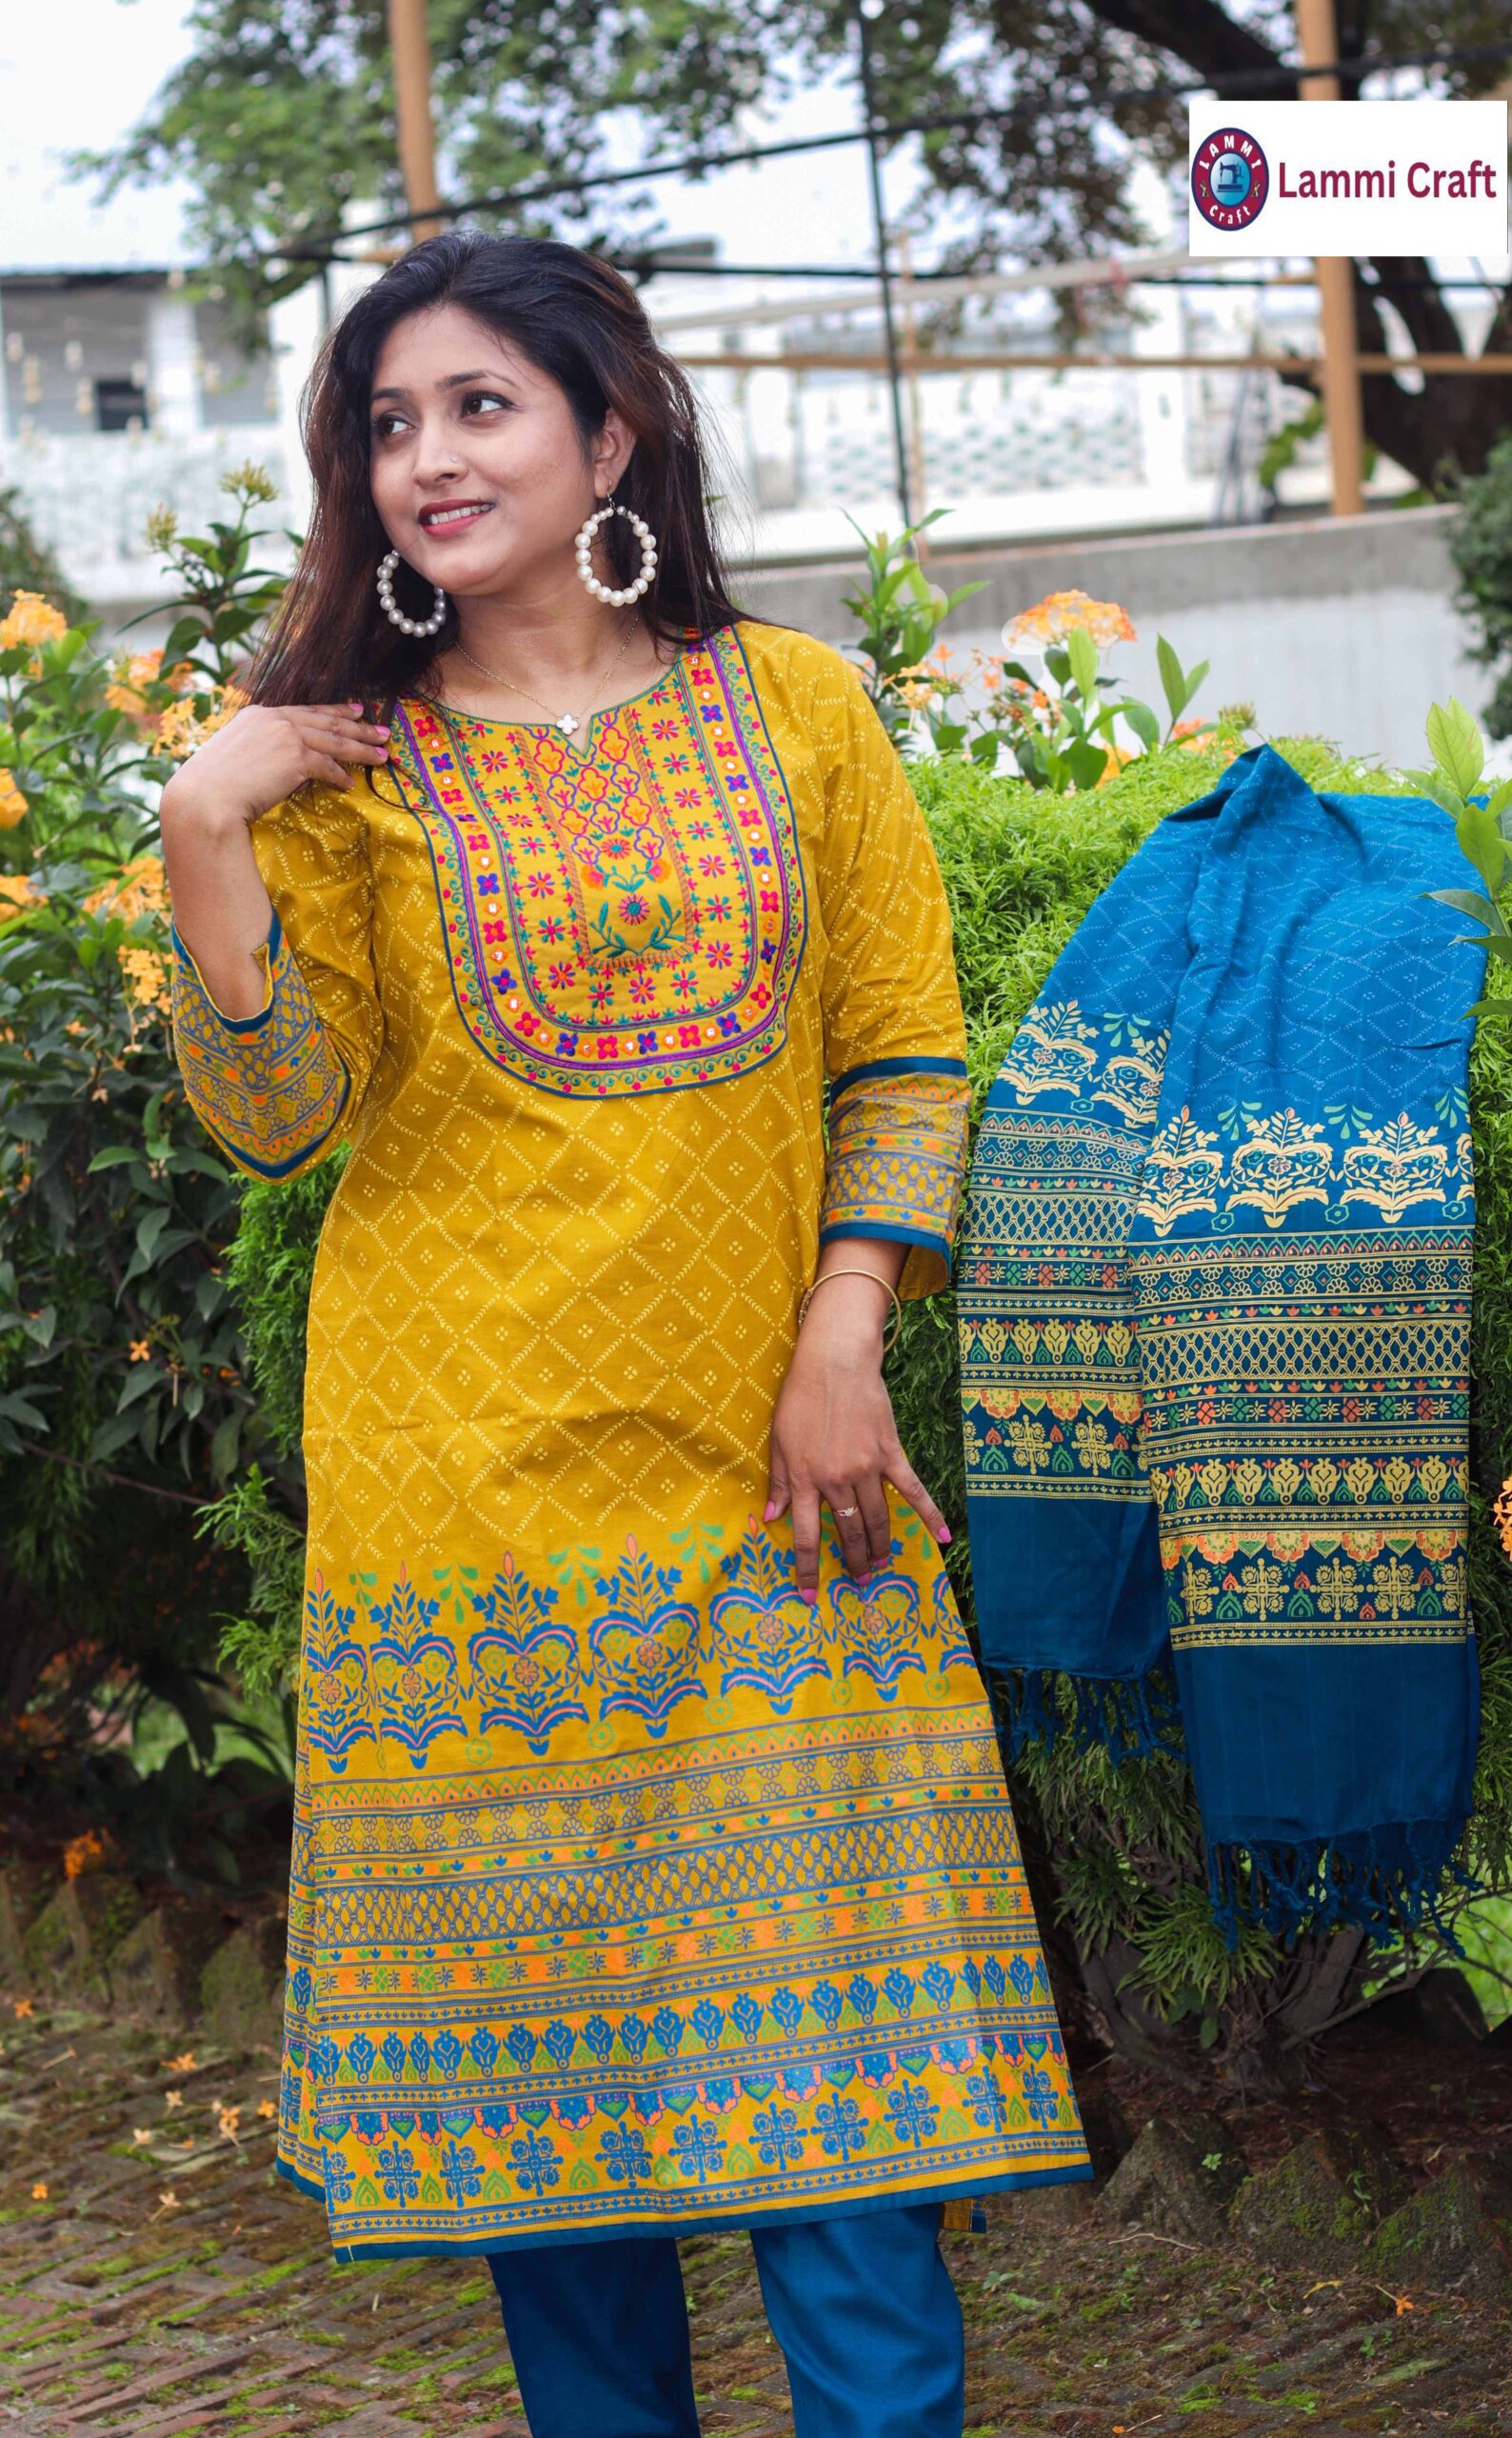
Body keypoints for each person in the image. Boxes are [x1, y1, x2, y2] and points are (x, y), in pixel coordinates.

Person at [161, 230, 1090, 2438]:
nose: (424, 457)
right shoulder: (347, 770)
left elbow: (902, 1051)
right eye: (387, 423)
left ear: (612, 430)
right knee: (549, 2143)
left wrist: (845, 1327)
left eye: (477, 404)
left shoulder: (797, 708)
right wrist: (206, 825)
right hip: (469, 1512)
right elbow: (277, 1120)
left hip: (782, 1481)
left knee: (849, 2112)